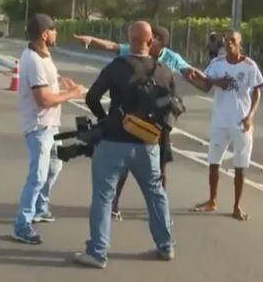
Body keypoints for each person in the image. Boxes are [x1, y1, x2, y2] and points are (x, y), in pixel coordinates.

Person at [75, 21, 177, 269]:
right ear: (151, 42)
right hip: (148, 144)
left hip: (113, 140)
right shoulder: (163, 71)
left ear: (128, 40)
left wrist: (105, 119)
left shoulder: (116, 66)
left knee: (103, 196)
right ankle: (165, 246)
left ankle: (98, 252)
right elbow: (172, 110)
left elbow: (92, 97)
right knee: (155, 194)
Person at [74, 26, 202, 221]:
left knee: (158, 173)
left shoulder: (170, 60)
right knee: (133, 173)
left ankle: (157, 214)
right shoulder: (135, 54)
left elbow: (187, 83)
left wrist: (202, 77)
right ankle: (120, 207)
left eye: (153, 37)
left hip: (146, 130)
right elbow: (111, 46)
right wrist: (92, 39)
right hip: (139, 128)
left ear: (157, 41)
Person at [12, 14, 84, 245]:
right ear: (44, 34)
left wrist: (62, 82)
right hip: (39, 126)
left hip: (51, 125)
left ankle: (40, 208)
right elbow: (42, 99)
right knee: (37, 176)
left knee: (55, 166)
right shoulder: (33, 59)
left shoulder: (42, 55)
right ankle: (22, 225)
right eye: (54, 30)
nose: (56, 34)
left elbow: (47, 80)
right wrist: (72, 94)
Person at [191, 30, 263, 221]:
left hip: (241, 121)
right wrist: (192, 78)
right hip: (220, 120)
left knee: (240, 165)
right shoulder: (217, 64)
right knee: (214, 161)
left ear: (240, 43)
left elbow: (257, 92)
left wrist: (251, 116)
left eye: (233, 40)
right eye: (227, 40)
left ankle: (237, 206)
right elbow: (206, 85)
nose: (229, 43)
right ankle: (212, 200)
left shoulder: (249, 66)